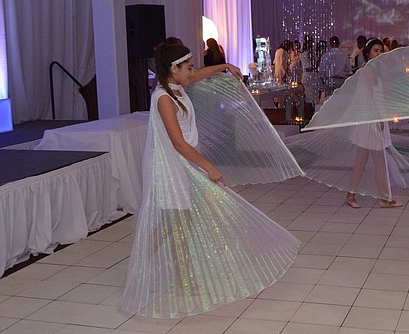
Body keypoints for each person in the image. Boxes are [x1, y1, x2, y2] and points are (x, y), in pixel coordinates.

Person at [119, 42, 299, 318]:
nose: (193, 72)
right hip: (169, 167)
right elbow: (178, 143)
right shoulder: (164, 99)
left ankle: (145, 254)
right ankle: (181, 278)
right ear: (173, 68)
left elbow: (199, 76)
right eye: (188, 67)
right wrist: (210, 167)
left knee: (176, 221)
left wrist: (225, 67)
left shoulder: (177, 87)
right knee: (179, 222)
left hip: (182, 164)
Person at [345, 38, 403, 209]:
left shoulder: (376, 69)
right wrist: (378, 119)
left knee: (363, 160)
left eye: (380, 51)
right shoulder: (368, 70)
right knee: (378, 160)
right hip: (371, 119)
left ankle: (351, 195)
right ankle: (384, 198)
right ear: (368, 53)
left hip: (373, 117)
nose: (379, 54)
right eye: (375, 51)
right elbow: (369, 96)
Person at [318, 35, 352, 101]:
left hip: (329, 81)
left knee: (329, 101)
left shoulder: (325, 55)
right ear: (338, 44)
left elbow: (321, 71)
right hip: (340, 81)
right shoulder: (344, 55)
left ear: (330, 44)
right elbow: (348, 70)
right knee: (340, 101)